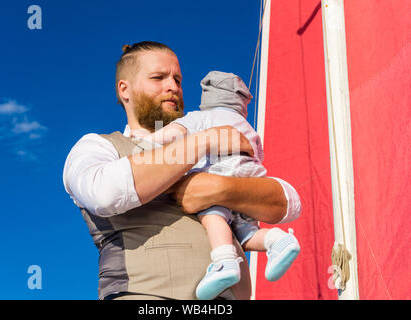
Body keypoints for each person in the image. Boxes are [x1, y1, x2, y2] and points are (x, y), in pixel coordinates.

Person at [62, 41, 302, 300]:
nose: (173, 87)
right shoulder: (97, 146)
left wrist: (221, 188)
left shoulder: (211, 144)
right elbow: (105, 193)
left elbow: (290, 202)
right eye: (158, 78)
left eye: (177, 79)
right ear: (125, 90)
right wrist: (204, 141)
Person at [145, 71, 301, 299]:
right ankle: (279, 240)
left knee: (212, 214)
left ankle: (224, 262)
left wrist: (146, 142)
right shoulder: (248, 127)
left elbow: (172, 133)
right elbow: (258, 154)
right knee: (247, 234)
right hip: (251, 177)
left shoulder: (201, 117)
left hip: (220, 171)